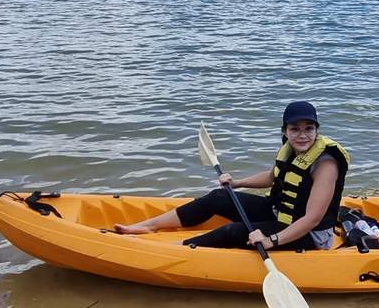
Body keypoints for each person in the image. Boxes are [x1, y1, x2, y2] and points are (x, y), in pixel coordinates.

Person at [114, 101, 350, 251]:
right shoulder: (292, 149)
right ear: (285, 130)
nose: (302, 135)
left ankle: (177, 249)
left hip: (309, 234)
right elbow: (272, 177)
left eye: (308, 128)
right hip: (281, 213)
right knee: (219, 196)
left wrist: (271, 240)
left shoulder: (325, 165)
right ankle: (149, 226)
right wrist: (236, 183)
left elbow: (312, 218)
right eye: (295, 129)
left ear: (317, 130)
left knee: (235, 231)